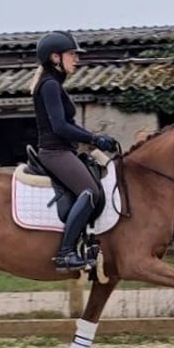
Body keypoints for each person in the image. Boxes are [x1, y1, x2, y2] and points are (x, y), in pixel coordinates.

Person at [30, 30, 119, 272]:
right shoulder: (49, 85)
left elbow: (69, 126)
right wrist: (93, 138)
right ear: (55, 58)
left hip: (63, 150)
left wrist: (94, 140)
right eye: (72, 54)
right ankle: (65, 254)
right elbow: (60, 127)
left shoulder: (54, 85)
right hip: (54, 151)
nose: (76, 59)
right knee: (90, 191)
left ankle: (88, 241)